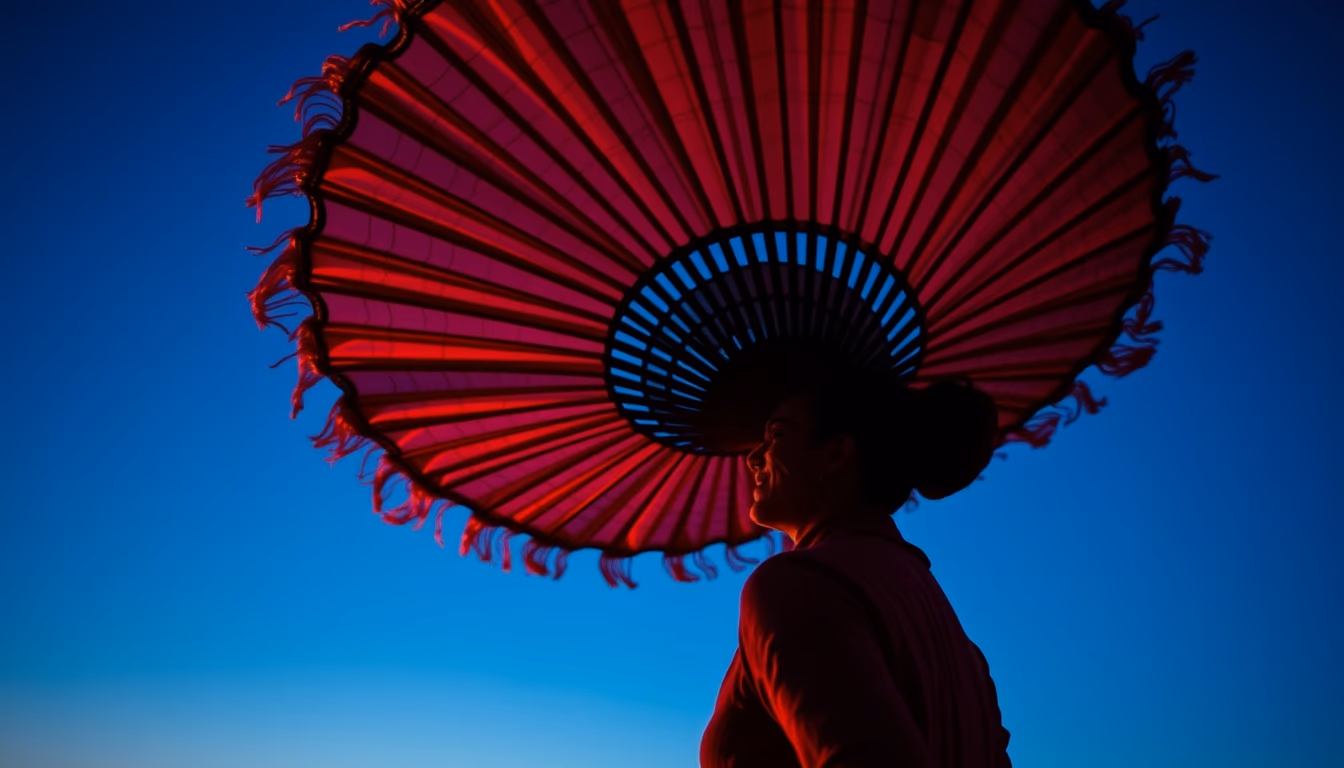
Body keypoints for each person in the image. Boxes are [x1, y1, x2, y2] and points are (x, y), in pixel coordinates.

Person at [700, 368, 1012, 767]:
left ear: (837, 453)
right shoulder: (962, 653)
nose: (753, 457)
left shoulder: (798, 584)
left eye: (776, 435)